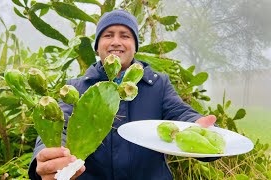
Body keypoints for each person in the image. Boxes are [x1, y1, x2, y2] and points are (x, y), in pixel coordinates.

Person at [28, 9, 218, 180]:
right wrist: (48, 159)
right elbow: (56, 127)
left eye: (125, 36)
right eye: (108, 35)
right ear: (97, 47)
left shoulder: (158, 84)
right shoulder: (75, 87)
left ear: (135, 46)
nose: (116, 42)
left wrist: (200, 129)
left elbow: (181, 113)